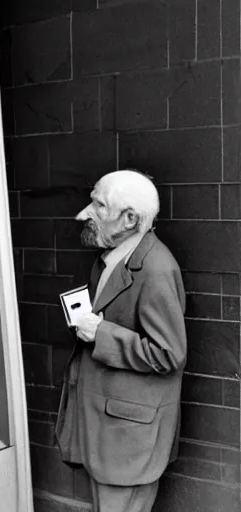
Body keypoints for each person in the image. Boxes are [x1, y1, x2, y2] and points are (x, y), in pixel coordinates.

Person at [55, 170, 187, 512]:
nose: (83, 214)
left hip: (128, 439)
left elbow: (168, 354)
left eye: (98, 205)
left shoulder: (156, 268)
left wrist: (100, 333)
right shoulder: (111, 258)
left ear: (130, 219)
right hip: (109, 432)